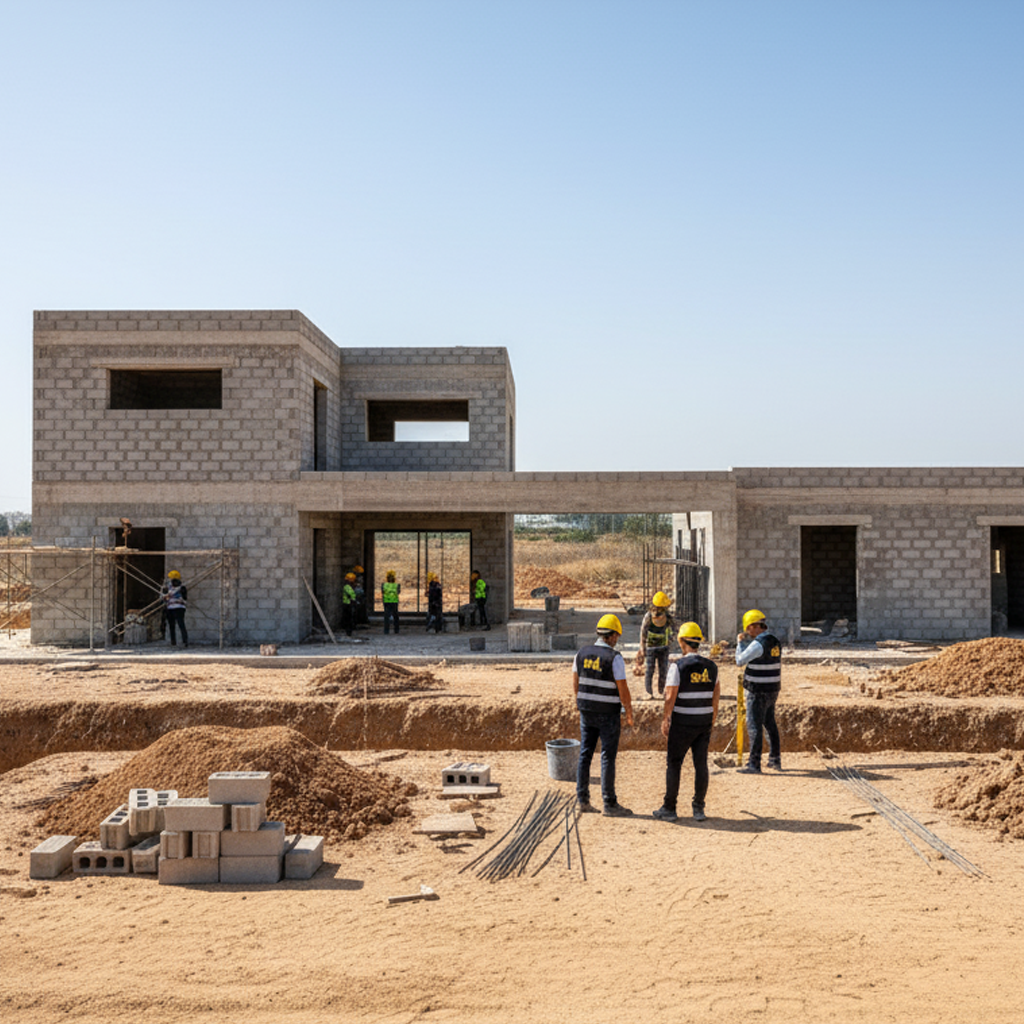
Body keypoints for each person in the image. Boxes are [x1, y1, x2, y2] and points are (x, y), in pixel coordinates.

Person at [652, 622, 719, 822]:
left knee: (674, 763)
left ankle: (669, 808)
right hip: (704, 721)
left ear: (682, 642)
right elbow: (715, 697)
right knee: (701, 765)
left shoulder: (678, 666)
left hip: (682, 722)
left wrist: (666, 719)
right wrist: (711, 720)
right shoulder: (712, 667)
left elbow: (670, 696)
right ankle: (699, 808)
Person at [573, 613, 634, 816]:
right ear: (614, 635)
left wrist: (580, 701)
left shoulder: (581, 653)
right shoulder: (614, 658)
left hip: (587, 710)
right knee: (607, 756)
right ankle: (609, 803)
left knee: (585, 753)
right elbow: (623, 689)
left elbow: (576, 680)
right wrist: (628, 712)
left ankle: (582, 799)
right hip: (608, 713)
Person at [735, 608, 782, 773]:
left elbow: (740, 661)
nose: (747, 631)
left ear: (754, 626)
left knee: (754, 725)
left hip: (758, 690)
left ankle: (754, 764)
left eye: (748, 628)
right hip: (773, 689)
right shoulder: (775, 641)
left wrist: (740, 643)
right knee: (770, 723)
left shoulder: (758, 644)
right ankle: (775, 759)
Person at [637, 591, 677, 700]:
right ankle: (648, 692)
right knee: (650, 669)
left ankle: (661, 691)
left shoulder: (668, 617)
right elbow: (643, 632)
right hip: (651, 648)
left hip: (663, 648)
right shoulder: (649, 616)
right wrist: (642, 648)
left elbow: (675, 629)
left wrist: (669, 640)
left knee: (663, 670)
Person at [162, 570, 188, 648]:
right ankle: (173, 641)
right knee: (171, 625)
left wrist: (181, 595)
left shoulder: (182, 588)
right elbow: (164, 599)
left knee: (181, 624)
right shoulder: (168, 588)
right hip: (170, 608)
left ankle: (185, 641)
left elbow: (185, 598)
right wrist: (165, 597)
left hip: (179, 608)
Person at [381, 570, 400, 635]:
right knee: (395, 616)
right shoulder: (397, 585)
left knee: (386, 616)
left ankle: (386, 630)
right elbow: (398, 592)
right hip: (394, 601)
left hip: (386, 601)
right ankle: (396, 630)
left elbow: (382, 592)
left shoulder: (384, 585)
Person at [341, 572, 357, 637]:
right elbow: (352, 594)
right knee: (348, 618)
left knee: (349, 618)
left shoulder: (347, 586)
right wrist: (354, 599)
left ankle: (349, 630)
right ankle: (348, 631)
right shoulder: (347, 587)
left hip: (348, 603)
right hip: (347, 604)